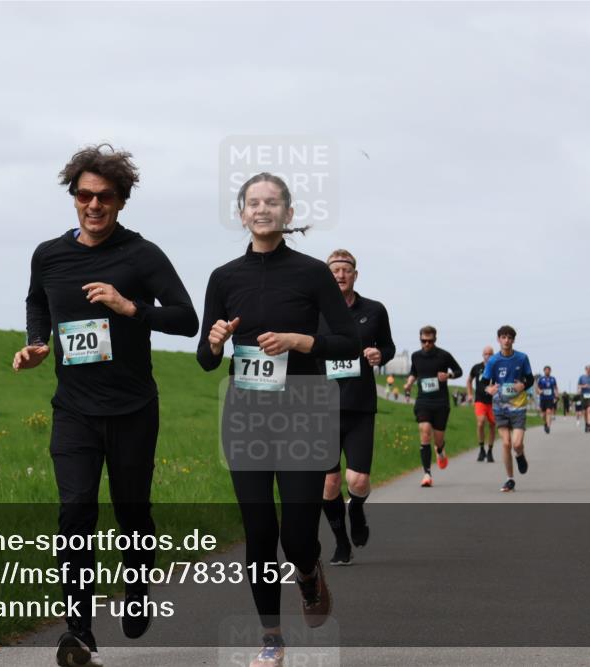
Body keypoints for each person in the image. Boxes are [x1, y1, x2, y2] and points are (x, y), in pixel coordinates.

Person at [13, 144, 199, 667]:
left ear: (121, 200)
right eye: (84, 196)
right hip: (73, 408)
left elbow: (187, 319)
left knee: (132, 512)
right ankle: (80, 632)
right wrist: (38, 342)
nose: (94, 205)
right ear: (73, 197)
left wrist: (129, 306)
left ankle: (137, 592)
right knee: (74, 512)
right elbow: (36, 300)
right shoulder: (49, 254)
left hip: (133, 408)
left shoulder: (142, 255)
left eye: (105, 197)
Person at [197, 173, 360, 667]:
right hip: (247, 415)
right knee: (260, 530)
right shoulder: (224, 278)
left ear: (288, 215)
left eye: (272, 203)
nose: (262, 209)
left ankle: (309, 574)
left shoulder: (312, 274)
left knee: (295, 534)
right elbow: (205, 360)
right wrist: (215, 341)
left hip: (304, 411)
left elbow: (348, 342)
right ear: (242, 214)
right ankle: (271, 637)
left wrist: (299, 341)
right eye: (253, 202)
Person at [319, 249, 395, 567]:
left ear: (355, 274)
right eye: (334, 269)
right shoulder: (315, 311)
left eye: (345, 269)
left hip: (360, 405)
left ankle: (358, 509)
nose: (340, 274)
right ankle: (340, 543)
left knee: (358, 481)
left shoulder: (374, 311)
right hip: (322, 407)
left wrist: (381, 355)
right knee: (329, 482)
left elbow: (388, 346)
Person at [403, 326, 463, 488]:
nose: (427, 344)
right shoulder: (416, 356)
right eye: (424, 341)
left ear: (435, 340)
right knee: (424, 432)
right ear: (420, 339)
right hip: (423, 401)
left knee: (438, 439)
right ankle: (427, 474)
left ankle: (440, 450)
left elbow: (459, 371)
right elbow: (414, 372)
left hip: (441, 402)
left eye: (430, 341)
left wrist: (448, 375)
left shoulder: (444, 355)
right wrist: (409, 383)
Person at [482, 325, 534, 493]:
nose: (506, 340)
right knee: (506, 443)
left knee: (517, 444)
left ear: (513, 340)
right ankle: (510, 479)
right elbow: (484, 382)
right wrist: (488, 389)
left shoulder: (522, 358)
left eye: (509, 337)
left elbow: (530, 379)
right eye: (503, 337)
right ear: (498, 340)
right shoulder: (493, 361)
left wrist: (523, 385)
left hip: (518, 406)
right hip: (500, 406)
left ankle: (520, 455)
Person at [467, 346, 496, 462]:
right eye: (486, 354)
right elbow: (469, 380)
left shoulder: (496, 368)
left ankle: (490, 451)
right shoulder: (477, 368)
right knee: (480, 423)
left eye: (490, 354)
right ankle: (481, 449)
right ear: (482, 355)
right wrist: (469, 393)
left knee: (493, 425)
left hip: (493, 402)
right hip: (480, 400)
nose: (488, 356)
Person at [537, 366, 559, 434]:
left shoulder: (553, 379)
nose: (547, 371)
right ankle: (545, 423)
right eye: (546, 370)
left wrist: (556, 394)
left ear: (550, 371)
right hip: (543, 398)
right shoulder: (541, 379)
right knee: (543, 414)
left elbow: (555, 388)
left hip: (550, 398)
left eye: (548, 370)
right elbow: (537, 388)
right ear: (544, 371)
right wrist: (539, 391)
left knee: (549, 412)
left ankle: (548, 427)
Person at [578, 365, 590, 433]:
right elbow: (579, 386)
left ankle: (589, 425)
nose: (589, 370)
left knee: (589, 410)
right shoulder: (581, 377)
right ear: (585, 369)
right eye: (587, 369)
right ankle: (586, 424)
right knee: (585, 412)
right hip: (583, 395)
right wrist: (583, 386)